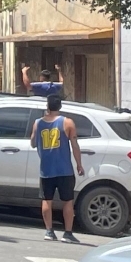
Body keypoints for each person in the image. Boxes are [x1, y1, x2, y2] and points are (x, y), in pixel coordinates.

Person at [30, 94, 84, 243]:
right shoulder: (67, 123)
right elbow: (75, 145)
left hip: (46, 170)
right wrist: (79, 164)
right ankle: (68, 233)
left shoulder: (37, 123)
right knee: (68, 201)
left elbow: (33, 143)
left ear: (47, 106)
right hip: (64, 169)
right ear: (60, 106)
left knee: (46, 200)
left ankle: (49, 231)